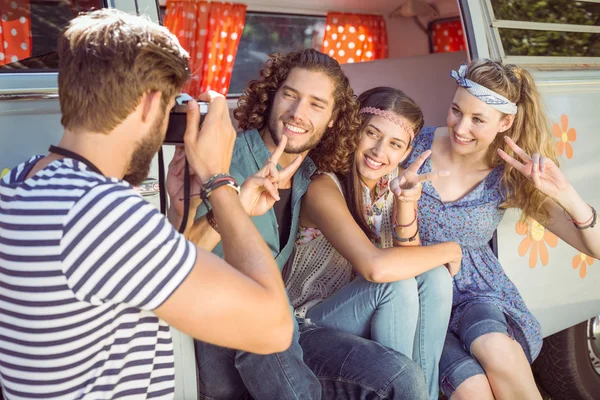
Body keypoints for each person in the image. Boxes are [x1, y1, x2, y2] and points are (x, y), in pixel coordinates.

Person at [0, 9, 295, 399]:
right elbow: (273, 329)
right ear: (148, 102)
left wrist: (182, 213)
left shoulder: (18, 183)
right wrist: (219, 182)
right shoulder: (100, 213)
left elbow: (132, 282)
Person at [192, 50, 429, 400]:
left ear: (333, 119)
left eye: (317, 104)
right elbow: (178, 257)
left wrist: (405, 202)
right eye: (290, 95)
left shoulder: (306, 173)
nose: (298, 113)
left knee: (402, 377)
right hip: (231, 327)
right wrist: (231, 207)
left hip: (286, 325)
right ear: (271, 96)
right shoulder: (226, 156)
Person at [402, 60, 600, 400]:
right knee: (471, 389)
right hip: (413, 296)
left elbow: (595, 248)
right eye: (456, 111)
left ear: (505, 122)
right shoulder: (413, 144)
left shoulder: (507, 176)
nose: (461, 128)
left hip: (474, 294)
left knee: (496, 348)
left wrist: (566, 193)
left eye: (478, 119)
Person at [285, 86, 462, 400]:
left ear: (406, 153)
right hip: (306, 322)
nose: (380, 152)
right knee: (394, 284)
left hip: (357, 311)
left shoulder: (388, 186)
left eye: (395, 144)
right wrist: (452, 249)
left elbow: (412, 268)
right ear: (354, 131)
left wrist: (406, 202)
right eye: (372, 134)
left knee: (435, 276)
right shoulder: (324, 185)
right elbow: (376, 269)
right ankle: (398, 392)